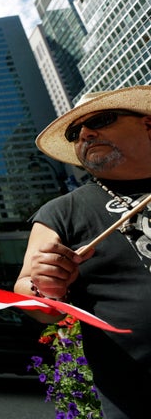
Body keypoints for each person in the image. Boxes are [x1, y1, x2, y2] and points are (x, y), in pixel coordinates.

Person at [14, 85, 151, 419]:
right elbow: (26, 290)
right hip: (136, 397)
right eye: (76, 132)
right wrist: (45, 286)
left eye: (102, 120)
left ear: (148, 124)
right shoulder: (62, 211)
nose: (86, 134)